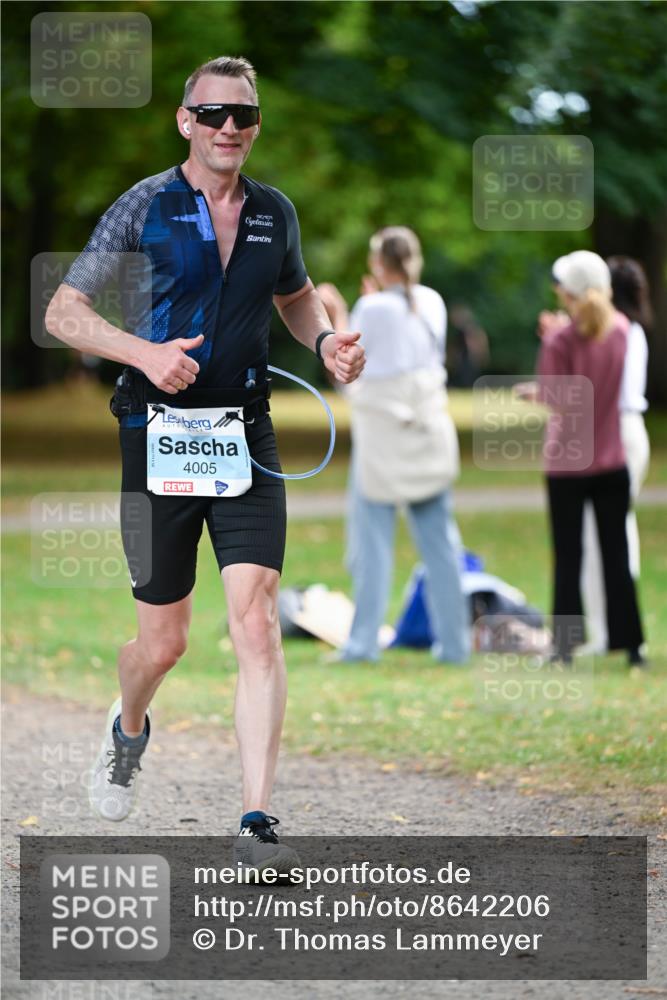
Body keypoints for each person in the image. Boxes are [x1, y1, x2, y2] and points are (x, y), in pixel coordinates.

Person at [44, 56, 365, 867]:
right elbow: (64, 313)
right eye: (213, 113)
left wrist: (326, 339)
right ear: (185, 120)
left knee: (256, 621)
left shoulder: (273, 213)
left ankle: (256, 821)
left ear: (255, 126)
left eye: (243, 115)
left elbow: (294, 295)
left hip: (245, 434)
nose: (229, 127)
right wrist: (144, 354)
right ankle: (127, 731)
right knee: (163, 645)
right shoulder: (144, 205)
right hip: (157, 434)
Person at [318, 227, 470, 664]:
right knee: (441, 544)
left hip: (383, 439)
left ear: (379, 264)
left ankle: (363, 644)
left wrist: (339, 313)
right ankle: (454, 645)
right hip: (427, 434)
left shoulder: (374, 307)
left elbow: (345, 370)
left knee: (371, 546)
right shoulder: (431, 301)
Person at [536, 250, 645, 665]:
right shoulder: (621, 331)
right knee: (616, 554)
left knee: (569, 557)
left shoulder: (560, 340)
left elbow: (557, 398)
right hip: (612, 457)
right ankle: (631, 645)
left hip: (567, 462)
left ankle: (564, 646)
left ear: (568, 293)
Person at [579, 257, 651, 653]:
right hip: (631, 431)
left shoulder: (614, 332)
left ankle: (608, 631)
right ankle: (620, 629)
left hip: (612, 431)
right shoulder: (634, 331)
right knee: (620, 529)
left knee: (599, 535)